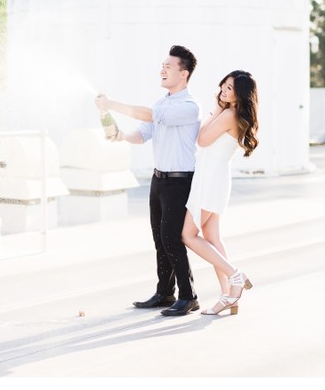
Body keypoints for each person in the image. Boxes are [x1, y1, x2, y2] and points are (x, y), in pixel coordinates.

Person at [95, 45, 201, 317]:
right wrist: (121, 136)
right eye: (162, 65)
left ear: (184, 73)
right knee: (159, 238)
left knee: (172, 239)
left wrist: (112, 104)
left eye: (169, 66)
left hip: (179, 181)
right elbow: (142, 134)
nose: (162, 69)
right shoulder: (162, 103)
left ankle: (188, 296)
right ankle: (165, 293)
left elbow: (151, 116)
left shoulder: (189, 107)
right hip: (159, 180)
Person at [182, 70, 259, 316]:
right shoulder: (234, 114)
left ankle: (235, 277)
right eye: (223, 86)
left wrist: (216, 109)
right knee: (212, 238)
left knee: (188, 235)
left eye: (229, 89)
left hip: (210, 181)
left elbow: (201, 139)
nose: (223, 92)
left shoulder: (228, 114)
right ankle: (229, 296)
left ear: (241, 94)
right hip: (213, 179)